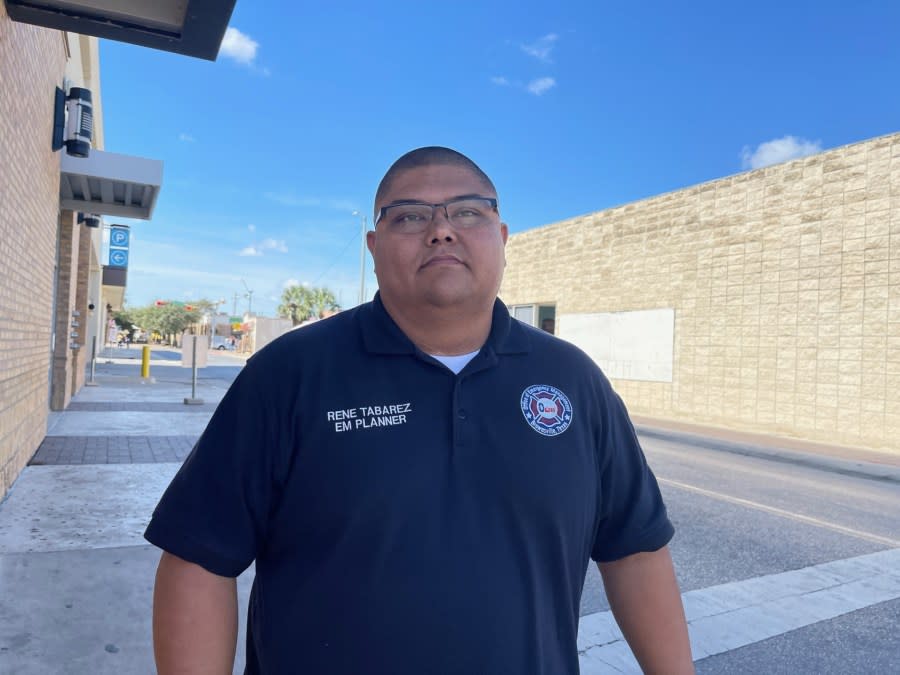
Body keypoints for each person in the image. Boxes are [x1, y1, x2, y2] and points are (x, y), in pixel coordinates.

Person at [146, 147, 693, 674]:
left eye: (469, 211)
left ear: (502, 238)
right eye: (409, 216)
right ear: (373, 244)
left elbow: (635, 552)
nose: (442, 229)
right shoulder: (287, 375)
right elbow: (199, 559)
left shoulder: (574, 382)